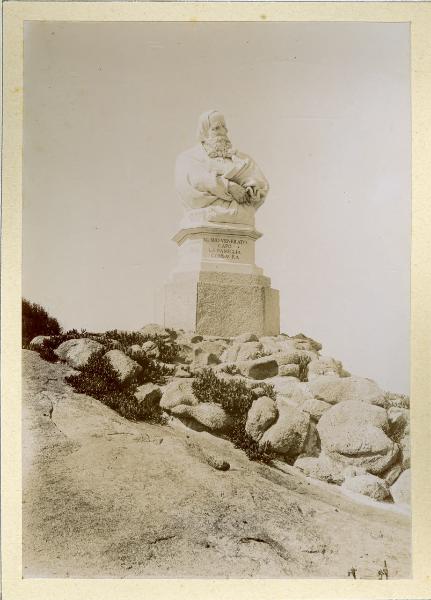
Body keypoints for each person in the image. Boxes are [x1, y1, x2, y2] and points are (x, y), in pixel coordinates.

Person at [175, 110, 269, 228]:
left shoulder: (240, 158)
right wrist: (228, 186)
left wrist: (250, 190)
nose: (222, 132)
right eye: (216, 128)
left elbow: (259, 182)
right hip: (205, 216)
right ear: (204, 132)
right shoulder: (188, 157)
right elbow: (194, 179)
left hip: (240, 216)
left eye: (224, 127)